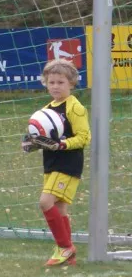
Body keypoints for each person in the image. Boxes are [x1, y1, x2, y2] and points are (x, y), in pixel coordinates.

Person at [22, 59, 91, 266]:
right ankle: (70, 256)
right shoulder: (46, 109)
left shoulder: (75, 108)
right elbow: (44, 138)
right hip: (51, 164)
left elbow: (84, 137)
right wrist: (32, 143)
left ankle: (64, 247)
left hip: (68, 164)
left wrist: (62, 144)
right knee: (60, 209)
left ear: (71, 83)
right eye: (51, 82)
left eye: (60, 82)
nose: (55, 86)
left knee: (45, 202)